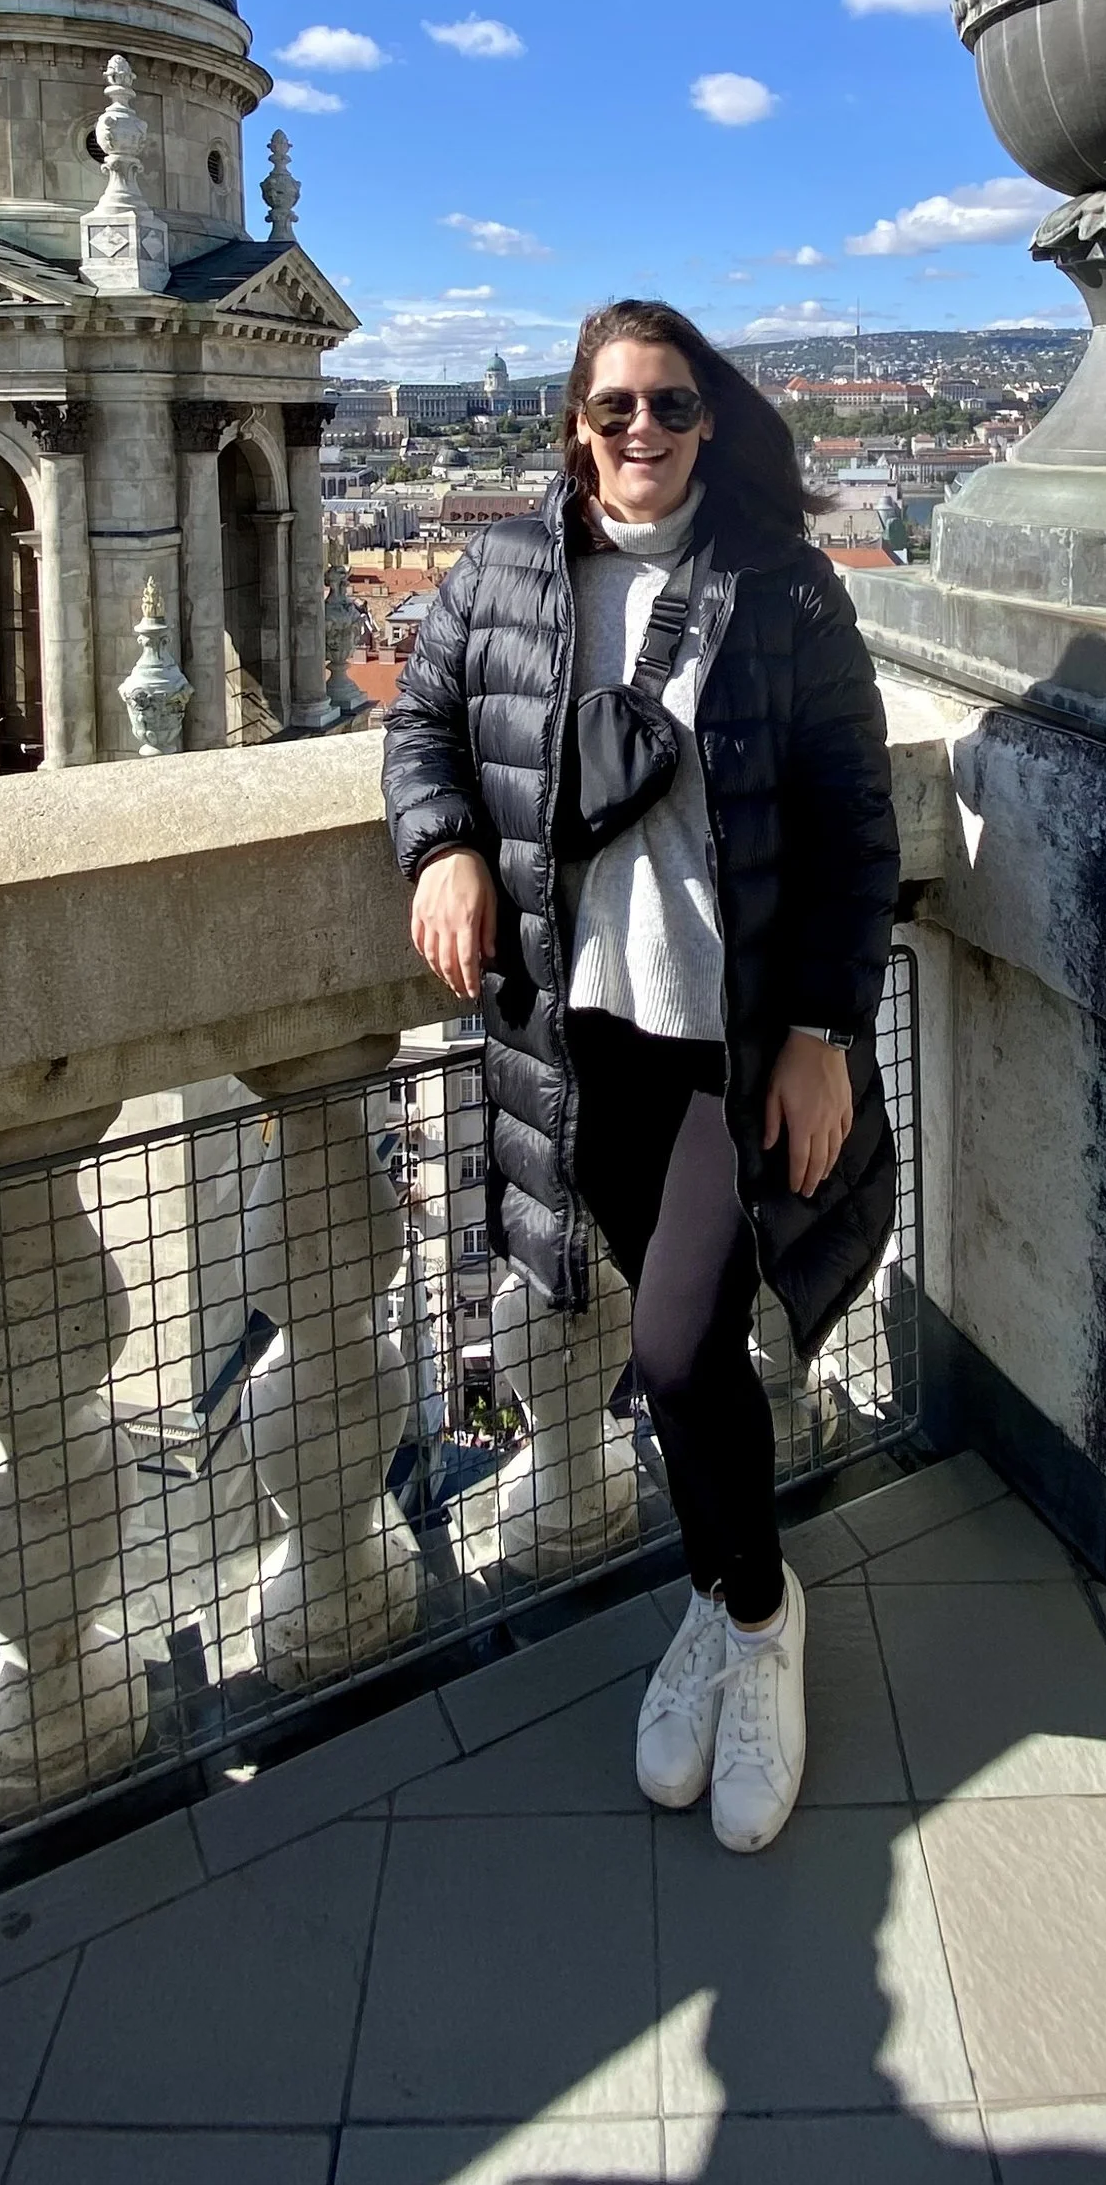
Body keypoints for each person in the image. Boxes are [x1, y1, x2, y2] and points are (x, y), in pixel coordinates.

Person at [382, 299, 899, 1853]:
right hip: (576, 1047)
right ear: (575, 425)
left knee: (675, 1354)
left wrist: (825, 1032)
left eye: (670, 404)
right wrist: (443, 846)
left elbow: (855, 824)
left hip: (725, 1052)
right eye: (614, 408)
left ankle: (762, 1625)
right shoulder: (503, 576)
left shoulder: (784, 588)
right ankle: (720, 1590)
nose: (643, 432)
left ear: (708, 419)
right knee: (687, 1361)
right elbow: (420, 724)